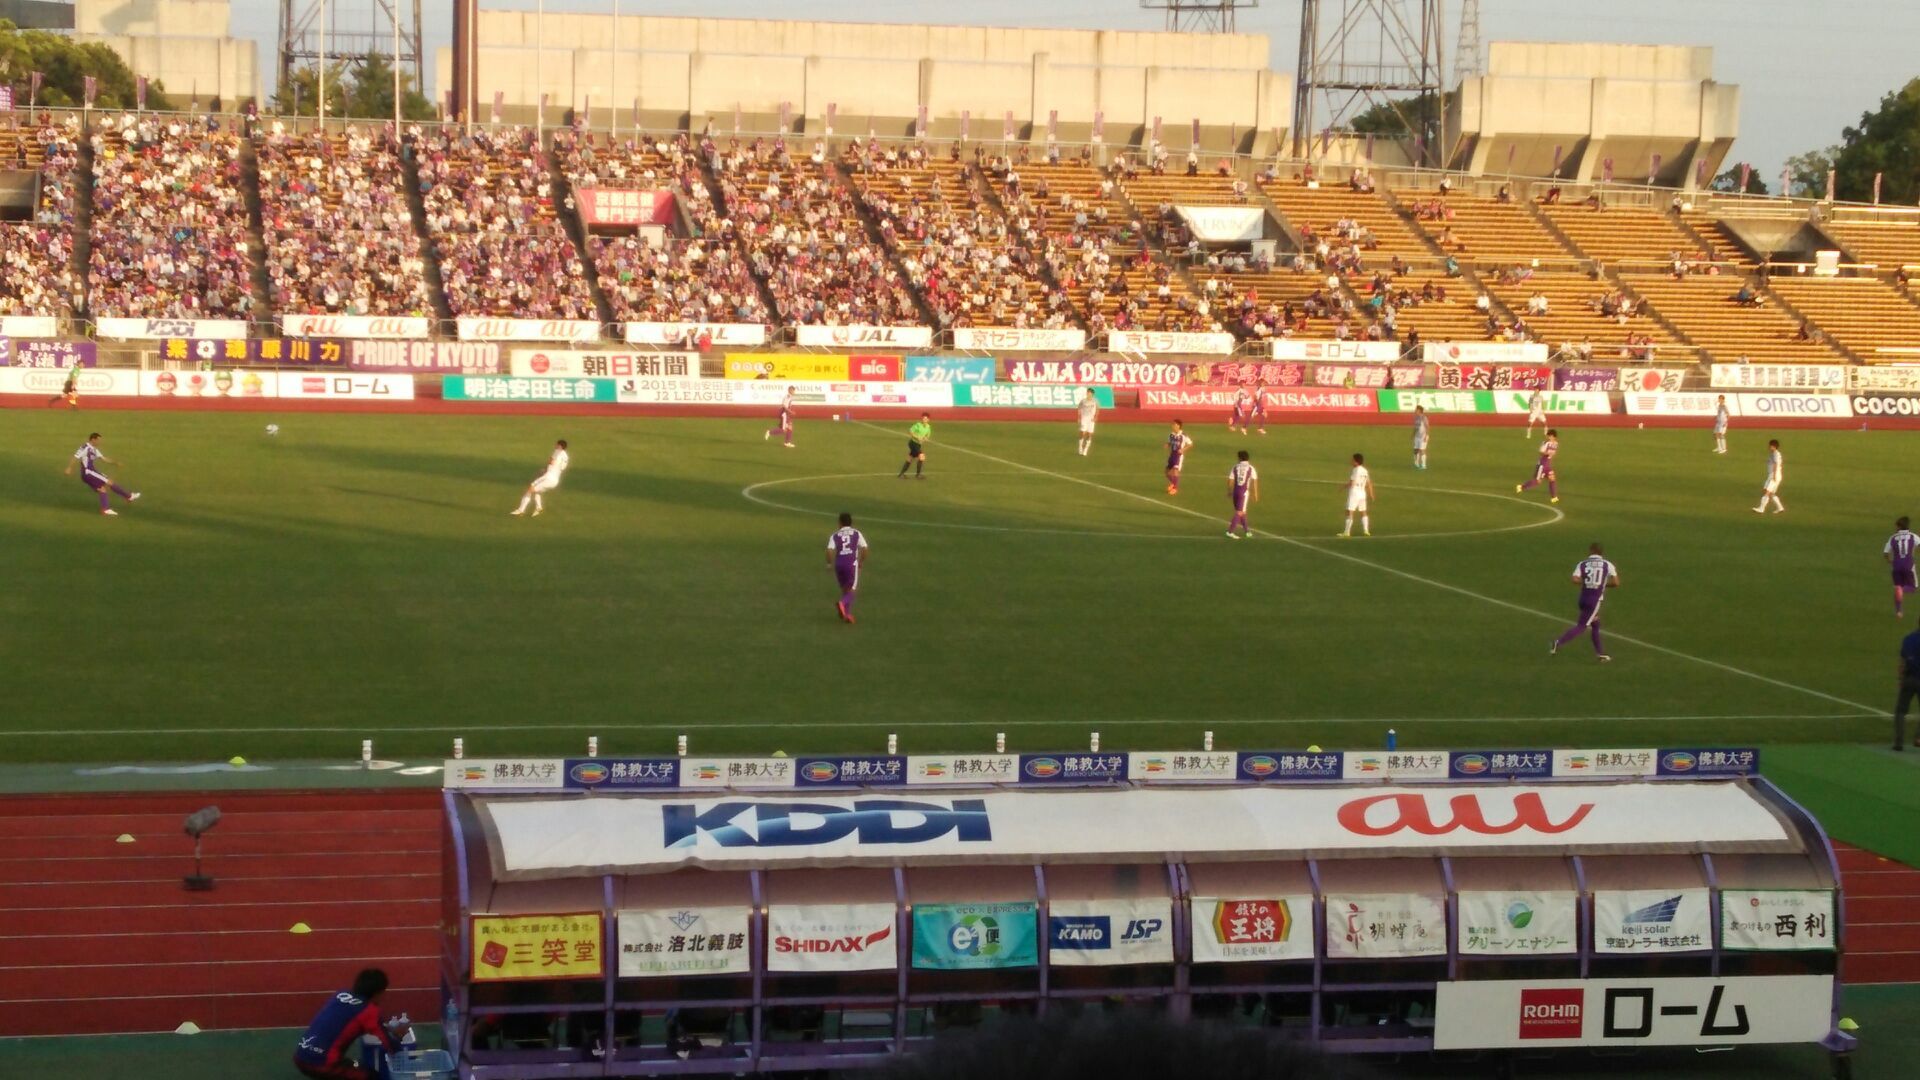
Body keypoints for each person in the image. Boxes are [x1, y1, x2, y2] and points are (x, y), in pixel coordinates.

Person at [293, 968, 410, 1080]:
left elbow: (343, 1020)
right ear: (378, 993)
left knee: (351, 1065)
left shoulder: (340, 994)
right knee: (371, 1076)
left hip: (300, 1057)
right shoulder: (369, 1011)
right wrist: (399, 1035)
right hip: (323, 1064)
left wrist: (384, 1028)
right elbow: (392, 1047)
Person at [1550, 542, 1618, 662]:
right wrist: (1601, 584)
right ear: (1601, 552)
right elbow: (1616, 583)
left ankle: (1600, 654)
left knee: (1595, 624)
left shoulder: (1583, 564)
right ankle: (1558, 643)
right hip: (1594, 601)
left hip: (1583, 598)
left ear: (1591, 551)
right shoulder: (1607, 564)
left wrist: (1587, 583)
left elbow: (1574, 579)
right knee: (1581, 626)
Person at [64, 433, 139, 516]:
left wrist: (115, 463)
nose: (100, 442)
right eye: (98, 440)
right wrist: (69, 468)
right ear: (93, 439)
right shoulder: (85, 447)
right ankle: (129, 496)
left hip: (89, 473)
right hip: (89, 472)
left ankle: (105, 509)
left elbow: (104, 459)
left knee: (102, 489)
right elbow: (76, 456)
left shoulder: (94, 450)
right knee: (109, 482)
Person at [827, 512, 869, 624]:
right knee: (852, 591)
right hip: (851, 564)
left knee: (845, 589)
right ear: (851, 523)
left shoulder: (835, 535)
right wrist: (860, 562)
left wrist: (830, 564)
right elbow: (865, 548)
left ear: (840, 523)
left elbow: (829, 550)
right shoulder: (856, 533)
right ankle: (842, 603)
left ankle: (847, 615)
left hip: (839, 564)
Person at [510, 439, 569, 517]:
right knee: (537, 491)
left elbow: (551, 462)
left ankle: (521, 510)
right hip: (555, 481)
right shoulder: (566, 457)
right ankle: (538, 508)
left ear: (560, 446)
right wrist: (546, 470)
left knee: (530, 489)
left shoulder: (557, 451)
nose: (555, 446)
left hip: (548, 478)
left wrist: (546, 469)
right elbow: (560, 467)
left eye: (556, 445)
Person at [1517, 429, 1560, 504]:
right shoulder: (1546, 443)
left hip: (1548, 465)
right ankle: (1521, 487)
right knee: (1538, 481)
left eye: (1549, 436)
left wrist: (1551, 455)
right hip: (1542, 465)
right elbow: (1541, 451)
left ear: (1553, 436)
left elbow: (1553, 453)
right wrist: (1547, 454)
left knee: (1552, 479)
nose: (1547, 437)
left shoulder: (1556, 444)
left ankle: (1554, 497)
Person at [1887, 517, 1918, 618]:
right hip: (1908, 565)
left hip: (1896, 566)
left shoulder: (1893, 538)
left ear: (1900, 526)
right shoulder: (1913, 536)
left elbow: (1886, 552)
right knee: (1912, 588)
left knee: (1897, 587)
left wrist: (1890, 561)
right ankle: (1902, 590)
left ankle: (1899, 612)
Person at [1897, 619, 1920, 750]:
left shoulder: (1908, 639)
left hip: (1909, 678)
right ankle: (1918, 738)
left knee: (1900, 711)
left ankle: (1898, 742)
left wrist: (1900, 679)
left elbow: (1903, 661)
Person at [1225, 450, 1258, 540]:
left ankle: (1247, 532)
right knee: (1239, 512)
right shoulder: (1251, 468)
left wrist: (1229, 490)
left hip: (1235, 491)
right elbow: (1254, 481)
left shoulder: (1235, 467)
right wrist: (1255, 493)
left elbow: (1230, 480)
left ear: (1240, 458)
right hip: (1244, 492)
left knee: (1242, 512)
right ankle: (1230, 531)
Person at [1340, 453, 1374, 538]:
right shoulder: (1365, 470)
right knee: (1363, 512)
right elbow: (1369, 483)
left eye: (1352, 460)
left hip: (1355, 492)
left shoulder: (1356, 470)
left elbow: (1352, 482)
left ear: (1356, 461)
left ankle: (1347, 532)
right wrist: (1371, 494)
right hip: (1362, 493)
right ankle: (1366, 530)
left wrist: (1343, 487)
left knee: (1349, 511)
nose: (1351, 461)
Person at [1752, 439, 1784, 514]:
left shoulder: (1775, 454)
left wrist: (1774, 476)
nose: (1769, 447)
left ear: (1774, 446)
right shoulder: (1774, 454)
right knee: (1771, 493)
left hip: (1774, 475)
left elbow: (1776, 464)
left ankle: (1761, 508)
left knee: (1767, 492)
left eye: (1771, 446)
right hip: (1773, 475)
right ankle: (1780, 507)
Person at [1164, 419, 1193, 495]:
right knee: (1166, 472)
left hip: (1178, 456)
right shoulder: (1171, 434)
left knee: (1175, 471)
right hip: (1172, 454)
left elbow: (1190, 444)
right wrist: (1168, 444)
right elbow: (1170, 442)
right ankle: (1173, 484)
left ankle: (1175, 488)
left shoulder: (1183, 435)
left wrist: (1183, 450)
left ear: (1178, 426)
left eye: (1174, 425)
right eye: (1172, 424)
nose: (1172, 426)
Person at [898, 413, 931, 479]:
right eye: (923, 418)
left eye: (925, 419)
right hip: (913, 443)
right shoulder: (918, 425)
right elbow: (910, 431)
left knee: (910, 458)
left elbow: (927, 436)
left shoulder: (928, 427)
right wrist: (917, 437)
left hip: (918, 445)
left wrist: (925, 439)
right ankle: (918, 475)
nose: (924, 420)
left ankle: (901, 474)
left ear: (928, 420)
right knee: (922, 457)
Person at [1076, 389, 1099, 456]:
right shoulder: (1083, 401)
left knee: (1089, 434)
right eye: (1087, 392)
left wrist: (1096, 417)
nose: (1088, 393)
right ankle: (1080, 447)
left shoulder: (1095, 401)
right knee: (1082, 433)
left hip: (1091, 420)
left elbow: (1097, 409)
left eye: (1089, 392)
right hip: (1084, 418)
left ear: (1092, 394)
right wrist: (1079, 417)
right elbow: (1079, 408)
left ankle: (1086, 449)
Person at [1411, 404, 1430, 470]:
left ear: (1419, 411)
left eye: (1416, 409)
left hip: (1423, 436)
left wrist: (1426, 436)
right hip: (1417, 436)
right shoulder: (1416, 418)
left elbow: (1427, 427)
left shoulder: (1424, 418)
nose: (1415, 410)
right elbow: (1416, 427)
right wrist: (1413, 435)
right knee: (1415, 450)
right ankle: (1416, 463)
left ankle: (1424, 465)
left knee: (1422, 450)